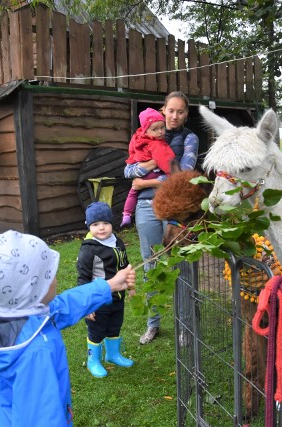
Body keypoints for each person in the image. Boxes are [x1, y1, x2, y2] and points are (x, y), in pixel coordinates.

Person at [0, 230, 136, 426]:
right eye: (50, 275)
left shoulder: (11, 314)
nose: (55, 279)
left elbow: (65, 305)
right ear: (33, 290)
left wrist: (108, 286)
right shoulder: (35, 353)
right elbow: (44, 419)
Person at [124, 91, 200, 345]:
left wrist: (146, 180)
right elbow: (128, 169)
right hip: (146, 207)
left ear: (186, 114)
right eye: (171, 110)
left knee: (180, 264)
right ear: (163, 110)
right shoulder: (143, 133)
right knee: (151, 264)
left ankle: (184, 326)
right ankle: (153, 324)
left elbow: (185, 173)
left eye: (180, 111)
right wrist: (145, 169)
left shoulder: (189, 138)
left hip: (175, 208)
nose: (175, 116)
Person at [77, 202, 135, 377]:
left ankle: (112, 354)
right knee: (97, 330)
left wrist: (131, 286)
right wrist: (88, 305)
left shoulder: (117, 242)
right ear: (89, 226)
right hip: (98, 300)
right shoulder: (88, 250)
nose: (101, 228)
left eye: (105, 223)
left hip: (118, 297)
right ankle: (93, 360)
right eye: (95, 225)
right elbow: (83, 278)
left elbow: (125, 267)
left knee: (114, 326)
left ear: (112, 223)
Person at [120, 108, 175, 228]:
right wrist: (171, 174)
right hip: (154, 176)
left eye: (162, 127)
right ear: (146, 131)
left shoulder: (137, 139)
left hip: (141, 176)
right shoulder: (157, 144)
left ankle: (126, 215)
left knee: (133, 191)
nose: (160, 132)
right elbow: (166, 161)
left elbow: (131, 160)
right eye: (155, 129)